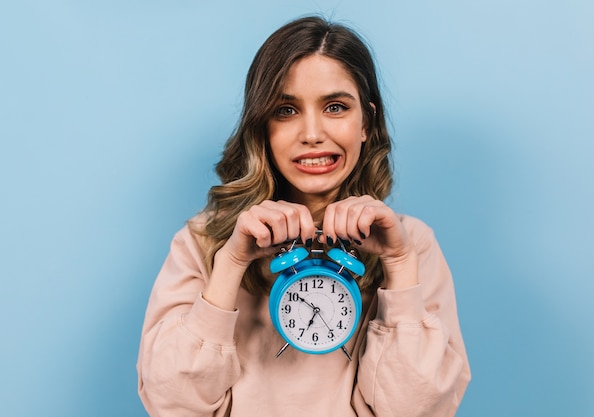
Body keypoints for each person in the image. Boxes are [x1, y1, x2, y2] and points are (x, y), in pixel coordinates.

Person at [137, 15, 471, 417]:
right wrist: (232, 262)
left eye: (335, 107)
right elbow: (171, 405)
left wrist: (398, 266)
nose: (312, 133)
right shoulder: (204, 241)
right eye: (286, 110)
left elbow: (418, 410)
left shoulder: (410, 245)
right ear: (262, 127)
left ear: (366, 122)